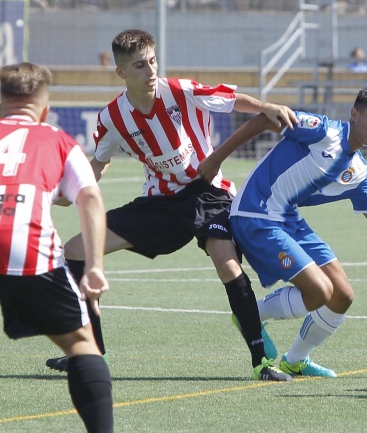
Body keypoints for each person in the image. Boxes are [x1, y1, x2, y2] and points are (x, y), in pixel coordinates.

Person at [44, 28, 298, 382]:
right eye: (139, 66)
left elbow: (230, 98)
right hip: (160, 203)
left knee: (227, 265)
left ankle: (260, 362)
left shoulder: (180, 90)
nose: (150, 72)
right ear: (121, 73)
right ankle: (89, 354)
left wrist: (265, 107)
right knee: (74, 251)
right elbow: (99, 163)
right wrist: (68, 189)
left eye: (152, 62)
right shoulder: (112, 118)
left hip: (208, 192)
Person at [197, 85, 367, 377]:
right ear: (354, 114)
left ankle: (296, 360)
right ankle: (251, 315)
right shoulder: (323, 131)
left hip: (287, 219)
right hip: (255, 215)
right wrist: (216, 159)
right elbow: (266, 119)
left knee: (342, 295)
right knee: (319, 292)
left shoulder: (358, 171)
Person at [0, 62, 114, 431]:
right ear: (45, 110)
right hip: (26, 248)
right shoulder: (59, 140)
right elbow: (90, 199)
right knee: (82, 343)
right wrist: (94, 266)